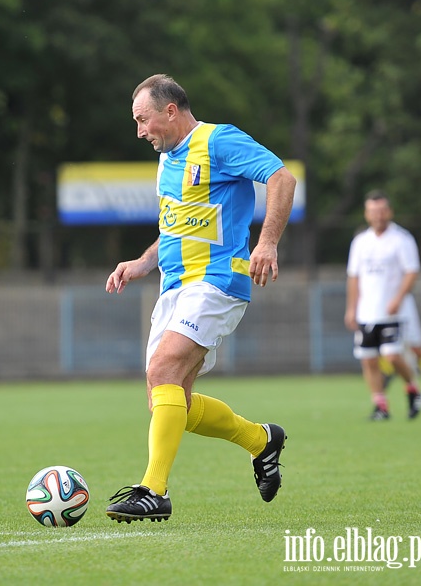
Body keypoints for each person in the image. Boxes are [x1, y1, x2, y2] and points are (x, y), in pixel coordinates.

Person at [103, 74, 297, 523]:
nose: (139, 131)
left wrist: (268, 242)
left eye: (143, 120)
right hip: (174, 286)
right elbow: (174, 225)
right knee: (172, 402)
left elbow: (281, 178)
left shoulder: (218, 141)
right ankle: (261, 441)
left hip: (216, 281)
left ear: (170, 111)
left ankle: (153, 491)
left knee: (162, 369)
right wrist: (142, 262)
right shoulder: (167, 160)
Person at [344, 191, 421, 420]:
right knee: (368, 359)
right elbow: (354, 277)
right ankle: (380, 404)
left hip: (392, 312)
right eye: (373, 211)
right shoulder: (361, 242)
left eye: (382, 210)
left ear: (389, 212)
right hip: (366, 311)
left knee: (391, 356)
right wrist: (351, 308)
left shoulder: (402, 239)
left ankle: (412, 388)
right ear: (367, 214)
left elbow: (411, 271)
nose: (378, 215)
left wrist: (398, 298)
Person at [377, 295, 421, 395]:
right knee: (383, 346)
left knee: (416, 349)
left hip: (403, 307)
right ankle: (387, 373)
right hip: (383, 307)